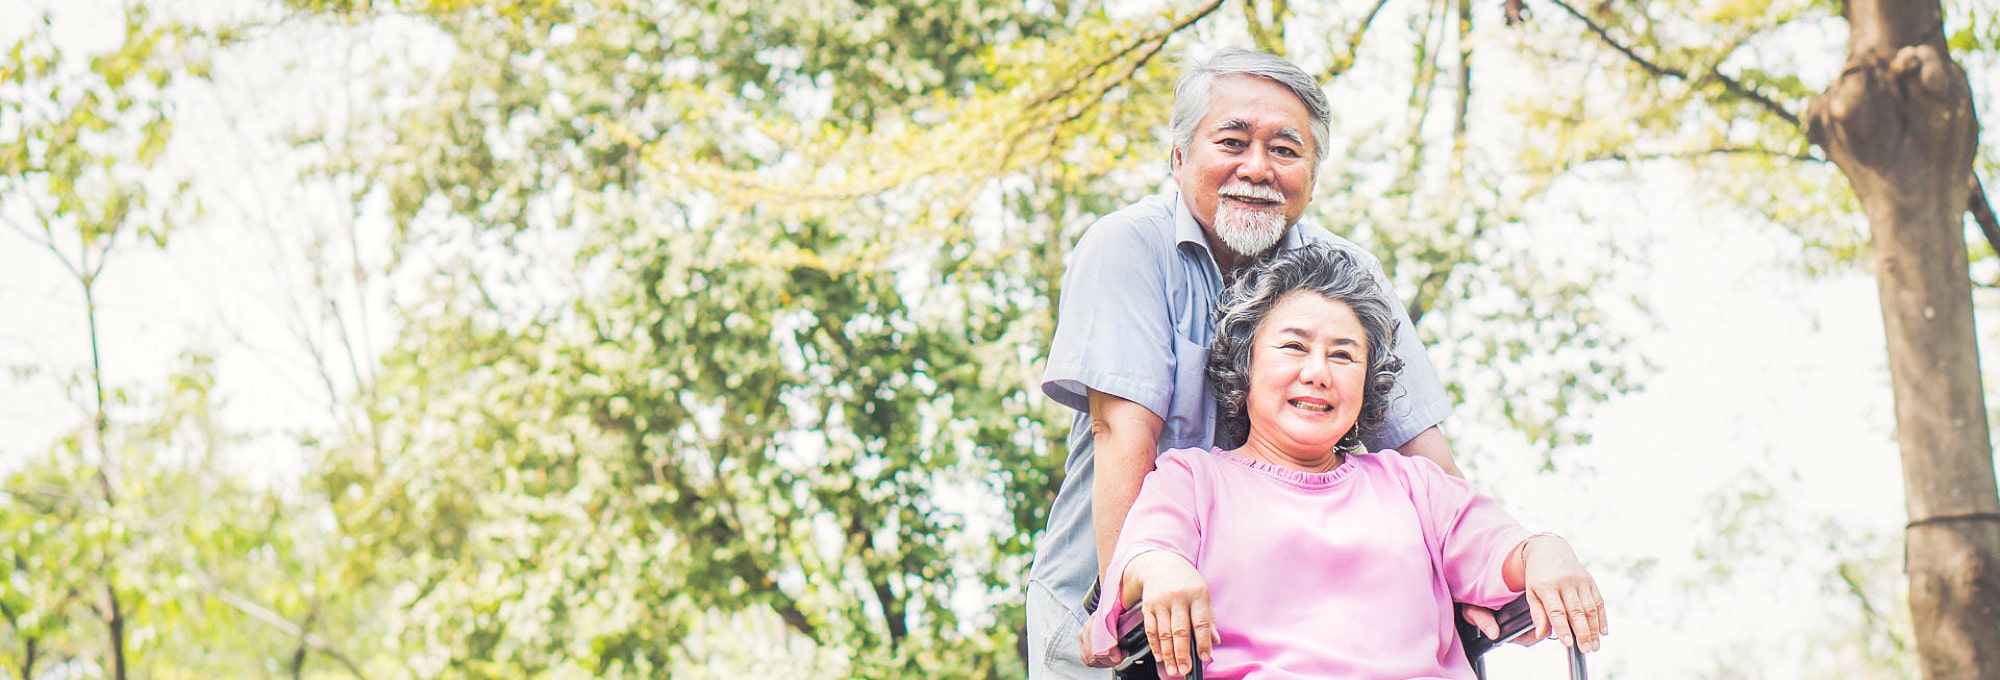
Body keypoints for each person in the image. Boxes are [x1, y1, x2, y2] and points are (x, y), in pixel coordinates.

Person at [1028, 49, 1463, 678]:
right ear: (1178, 158)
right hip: (1112, 601)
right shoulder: (1127, 247)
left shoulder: (1348, 276)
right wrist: (1133, 614)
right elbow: (1123, 435)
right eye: (1232, 142)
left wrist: (1479, 571)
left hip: (1271, 633)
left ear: (1313, 177)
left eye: (1286, 151)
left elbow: (1423, 449)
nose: (1256, 169)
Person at [1080, 243, 1607, 678]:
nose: (1317, 372)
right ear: (1246, 364)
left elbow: (1501, 548)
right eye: (1293, 346)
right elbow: (1141, 555)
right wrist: (1162, 566)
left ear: (1366, 381)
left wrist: (1547, 551)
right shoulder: (1193, 480)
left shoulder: (1414, 487)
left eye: (1342, 354)